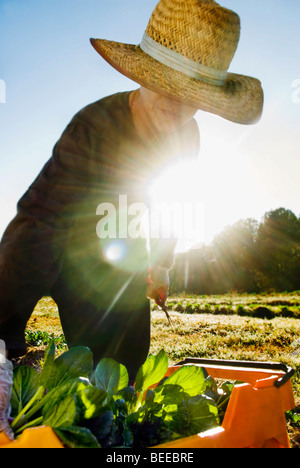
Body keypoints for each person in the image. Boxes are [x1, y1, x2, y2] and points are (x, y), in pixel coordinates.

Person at [0, 0, 263, 380]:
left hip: (120, 258)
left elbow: (171, 202)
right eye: (164, 85)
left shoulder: (187, 136)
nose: (175, 107)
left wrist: (161, 263)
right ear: (141, 74)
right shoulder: (93, 126)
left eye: (191, 97)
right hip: (66, 249)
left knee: (123, 369)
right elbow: (40, 222)